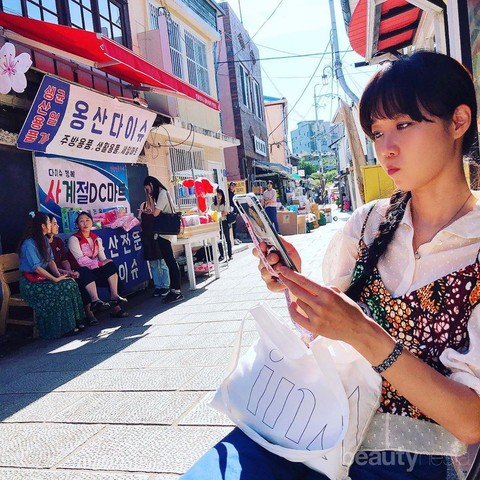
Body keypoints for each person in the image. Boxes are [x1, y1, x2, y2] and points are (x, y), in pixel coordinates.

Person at [181, 51, 480, 479]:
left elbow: (470, 421)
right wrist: (295, 283)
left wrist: (363, 333)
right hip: (312, 418)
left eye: (403, 125)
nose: (386, 148)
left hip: (408, 456)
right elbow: (324, 332)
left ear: (458, 121)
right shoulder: (368, 223)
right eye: (377, 132)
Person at [18, 211, 84, 339]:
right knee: (62, 287)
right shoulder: (28, 244)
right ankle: (63, 328)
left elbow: (50, 261)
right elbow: (37, 268)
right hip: (31, 284)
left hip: (44, 278)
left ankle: (75, 321)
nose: (51, 225)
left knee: (70, 283)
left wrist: (60, 274)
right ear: (42, 226)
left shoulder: (44, 240)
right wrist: (55, 279)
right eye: (49, 222)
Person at [68, 211, 129, 319]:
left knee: (110, 266)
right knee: (84, 271)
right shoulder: (74, 239)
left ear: (92, 222)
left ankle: (114, 298)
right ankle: (95, 300)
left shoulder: (96, 238)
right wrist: (100, 263)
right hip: (81, 272)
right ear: (77, 224)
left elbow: (103, 257)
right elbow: (81, 260)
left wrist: (105, 262)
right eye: (81, 221)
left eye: (88, 220)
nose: (85, 223)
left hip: (96, 269)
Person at [143, 175, 184, 304]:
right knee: (169, 261)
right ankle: (174, 290)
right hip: (164, 233)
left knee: (170, 261)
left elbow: (156, 213)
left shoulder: (162, 193)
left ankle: (177, 291)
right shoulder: (162, 193)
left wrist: (150, 200)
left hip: (165, 233)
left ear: (151, 184)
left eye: (148, 189)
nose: (148, 192)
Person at [138, 197, 170, 298]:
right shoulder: (143, 205)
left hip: (158, 236)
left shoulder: (159, 204)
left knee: (163, 263)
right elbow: (140, 220)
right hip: (147, 237)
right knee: (153, 264)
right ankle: (158, 286)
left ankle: (166, 285)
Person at [211, 188, 232, 262]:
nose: (218, 196)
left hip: (224, 222)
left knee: (227, 238)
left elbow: (225, 213)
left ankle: (230, 254)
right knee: (219, 239)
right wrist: (220, 213)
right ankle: (222, 255)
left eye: (220, 194)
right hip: (217, 223)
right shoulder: (213, 205)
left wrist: (218, 214)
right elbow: (212, 214)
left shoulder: (225, 203)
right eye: (217, 194)